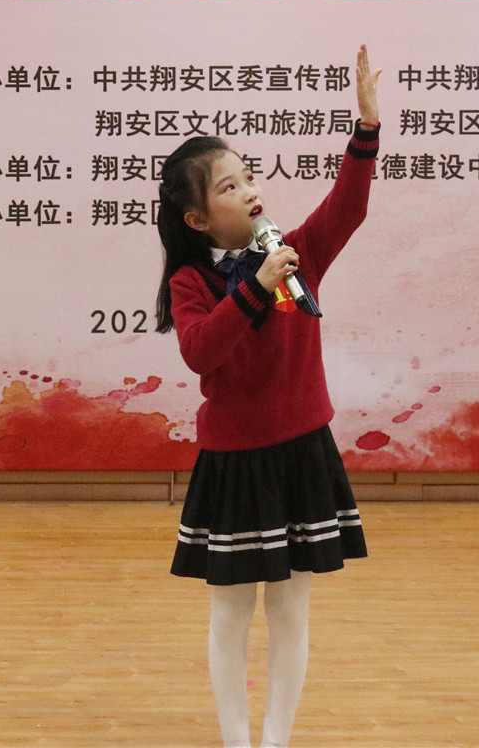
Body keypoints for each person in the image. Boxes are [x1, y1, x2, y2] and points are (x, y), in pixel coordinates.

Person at [155, 44, 381, 748]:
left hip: (302, 453)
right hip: (234, 464)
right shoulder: (193, 282)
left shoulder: (293, 254)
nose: (250, 190)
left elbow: (347, 208)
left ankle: (276, 738)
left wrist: (366, 130)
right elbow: (201, 351)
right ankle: (236, 740)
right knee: (231, 616)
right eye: (228, 186)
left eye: (248, 177)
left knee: (290, 611)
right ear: (197, 218)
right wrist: (256, 285)